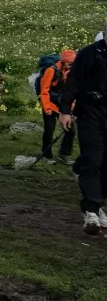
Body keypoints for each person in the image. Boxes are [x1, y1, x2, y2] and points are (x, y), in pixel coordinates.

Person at [59, 32, 107, 233]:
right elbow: (74, 82)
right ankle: (91, 210)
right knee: (93, 160)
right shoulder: (89, 53)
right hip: (90, 113)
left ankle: (98, 205)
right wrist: (65, 110)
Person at [40, 49, 77, 162]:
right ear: (63, 61)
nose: (71, 65)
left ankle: (64, 154)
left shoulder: (72, 73)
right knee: (49, 131)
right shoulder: (51, 71)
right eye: (69, 63)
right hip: (50, 105)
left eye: (73, 63)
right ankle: (47, 155)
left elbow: (72, 92)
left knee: (70, 131)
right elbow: (44, 91)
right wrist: (47, 108)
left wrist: (71, 110)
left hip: (63, 107)